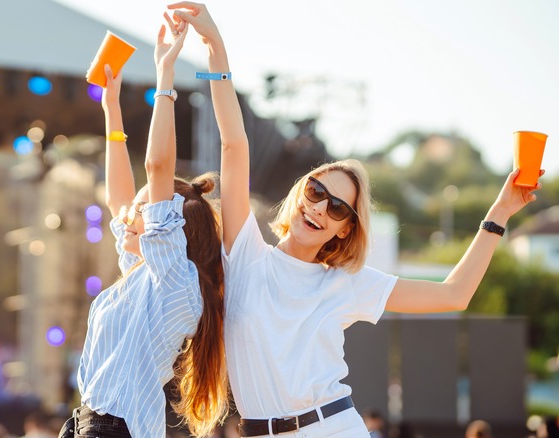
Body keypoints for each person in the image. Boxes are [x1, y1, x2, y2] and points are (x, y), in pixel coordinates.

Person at [169, 2, 544, 437]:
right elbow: (234, 145)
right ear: (299, 193)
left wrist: (498, 213)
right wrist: (216, 46)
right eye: (315, 191)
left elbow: (455, 294)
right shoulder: (248, 254)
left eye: (337, 208)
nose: (320, 207)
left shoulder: (344, 282)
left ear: (345, 227)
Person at [61, 11, 227, 438]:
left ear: (167, 229)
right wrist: (111, 108)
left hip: (114, 430)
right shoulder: (143, 276)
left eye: (145, 211)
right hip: (87, 425)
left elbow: (156, 168)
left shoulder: (175, 279)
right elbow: (120, 198)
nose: (129, 218)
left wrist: (165, 77)